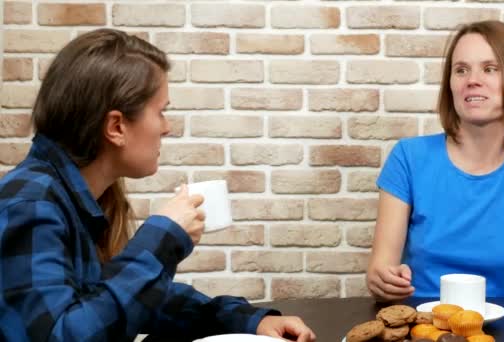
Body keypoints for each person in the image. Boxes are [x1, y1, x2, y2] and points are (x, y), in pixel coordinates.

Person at [0, 28, 316, 342]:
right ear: (116, 126)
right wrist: (162, 239)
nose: (167, 127)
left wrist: (247, 320)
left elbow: (135, 301)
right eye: (161, 112)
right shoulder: (30, 204)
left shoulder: (72, 196)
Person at [366, 20, 504, 302]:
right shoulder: (408, 158)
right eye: (461, 70)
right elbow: (379, 269)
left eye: (490, 69)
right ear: (450, 86)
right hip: (421, 323)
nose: (472, 79)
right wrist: (382, 280)